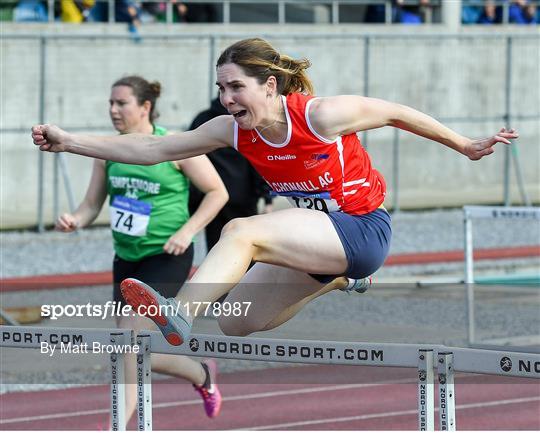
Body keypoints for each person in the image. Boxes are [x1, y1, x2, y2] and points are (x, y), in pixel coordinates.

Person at [32, 38, 519, 348]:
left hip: (363, 229)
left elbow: (396, 111)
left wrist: (465, 145)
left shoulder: (320, 115)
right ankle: (335, 281)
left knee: (242, 230)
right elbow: (155, 147)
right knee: (237, 322)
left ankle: (182, 309)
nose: (227, 99)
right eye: (221, 88)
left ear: (269, 86)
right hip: (318, 245)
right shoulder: (233, 129)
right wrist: (70, 141)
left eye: (236, 87)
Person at [53, 76, 228, 424]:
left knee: (128, 347)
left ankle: (117, 426)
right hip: (127, 259)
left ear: (145, 107)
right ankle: (200, 374)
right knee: (130, 350)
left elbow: (217, 192)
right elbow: (91, 204)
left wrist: (187, 231)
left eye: (122, 103)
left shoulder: (175, 146)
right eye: (111, 103)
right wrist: (75, 218)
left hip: (166, 257)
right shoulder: (107, 151)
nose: (114, 110)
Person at [188, 97, 273, 252]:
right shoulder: (247, 121)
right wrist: (267, 198)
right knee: (246, 248)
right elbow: (259, 161)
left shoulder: (203, 119)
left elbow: (190, 155)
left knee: (217, 247)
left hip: (212, 196)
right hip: (239, 195)